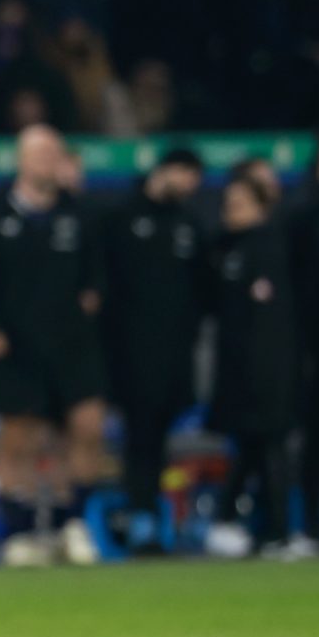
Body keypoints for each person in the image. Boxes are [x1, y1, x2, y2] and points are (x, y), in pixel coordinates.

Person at [0, 125, 110, 566]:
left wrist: (94, 296)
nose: (47, 163)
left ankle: (71, 523)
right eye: (39, 154)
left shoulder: (80, 216)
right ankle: (21, 530)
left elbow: (100, 271)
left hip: (73, 345)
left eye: (53, 154)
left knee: (85, 428)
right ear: (21, 161)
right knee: (20, 439)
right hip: (17, 347)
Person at [99, 149, 205, 553]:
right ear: (166, 170)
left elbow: (202, 293)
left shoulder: (188, 223)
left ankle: (156, 517)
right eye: (187, 175)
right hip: (129, 355)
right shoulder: (121, 218)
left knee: (159, 439)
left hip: (175, 356)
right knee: (139, 438)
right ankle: (140, 518)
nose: (190, 186)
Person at [201, 169, 304, 559]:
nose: (232, 211)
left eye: (241, 204)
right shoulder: (225, 250)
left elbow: (276, 322)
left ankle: (273, 531)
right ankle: (251, 527)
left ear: (262, 207)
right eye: (228, 204)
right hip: (238, 372)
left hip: (270, 370)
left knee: (269, 447)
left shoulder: (274, 248)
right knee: (251, 449)